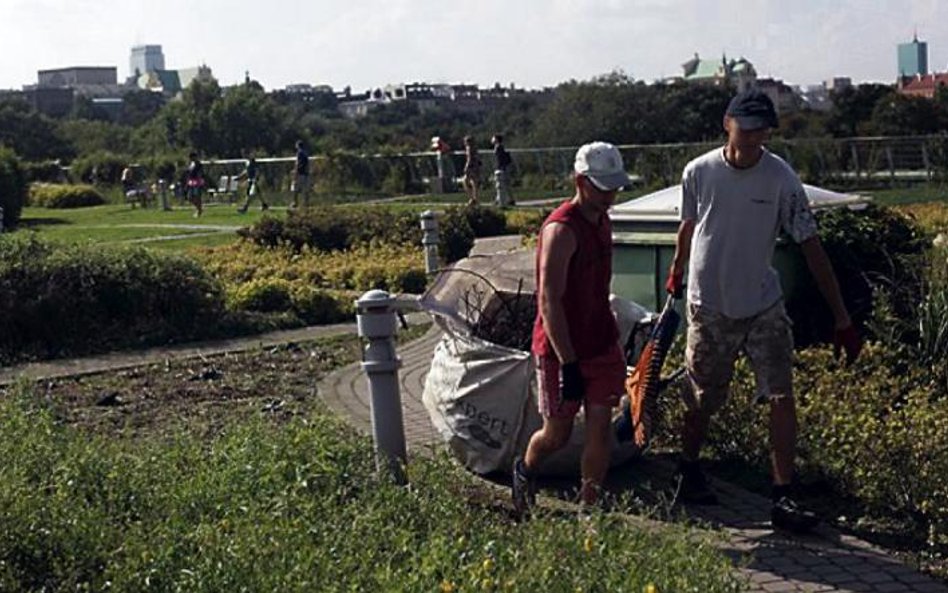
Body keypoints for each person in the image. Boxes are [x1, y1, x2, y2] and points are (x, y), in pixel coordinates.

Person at [666, 89, 863, 533]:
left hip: (761, 303)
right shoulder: (699, 172)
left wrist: (841, 316)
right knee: (702, 398)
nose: (755, 138)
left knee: (780, 394)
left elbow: (810, 246)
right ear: (727, 124)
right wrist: (677, 269)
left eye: (763, 130)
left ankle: (782, 496)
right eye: (747, 127)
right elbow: (688, 225)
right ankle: (688, 467)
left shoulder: (781, 179)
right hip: (710, 304)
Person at [512, 141, 632, 515]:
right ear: (581, 182)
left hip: (601, 341)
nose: (610, 194)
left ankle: (589, 511)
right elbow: (549, 301)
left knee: (600, 429)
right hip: (560, 348)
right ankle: (525, 470)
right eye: (602, 186)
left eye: (614, 186)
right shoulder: (561, 230)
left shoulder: (604, 219)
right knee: (557, 435)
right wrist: (568, 363)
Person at [492, 134, 514, 207]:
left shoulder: (498, 148)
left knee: (501, 184)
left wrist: (500, 167)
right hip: (503, 168)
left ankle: (501, 200)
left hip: (502, 168)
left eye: (493, 138)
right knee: (504, 185)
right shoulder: (499, 147)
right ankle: (504, 199)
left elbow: (500, 159)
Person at [462, 135, 482, 205]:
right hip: (476, 167)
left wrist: (466, 167)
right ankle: (475, 198)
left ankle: (472, 198)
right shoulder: (475, 148)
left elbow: (469, 158)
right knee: (474, 182)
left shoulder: (469, 148)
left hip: (471, 167)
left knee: (465, 181)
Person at [291, 140, 311, 209]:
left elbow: (297, 163)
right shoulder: (306, 153)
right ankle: (306, 203)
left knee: (295, 189)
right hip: (306, 174)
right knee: (305, 189)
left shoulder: (299, 153)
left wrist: (295, 172)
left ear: (297, 146)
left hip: (300, 173)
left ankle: (295, 202)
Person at [185, 152, 205, 217]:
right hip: (191, 182)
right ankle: (199, 208)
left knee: (197, 196)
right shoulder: (191, 164)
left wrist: (200, 181)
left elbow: (200, 173)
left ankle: (199, 210)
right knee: (189, 197)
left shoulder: (199, 164)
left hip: (197, 182)